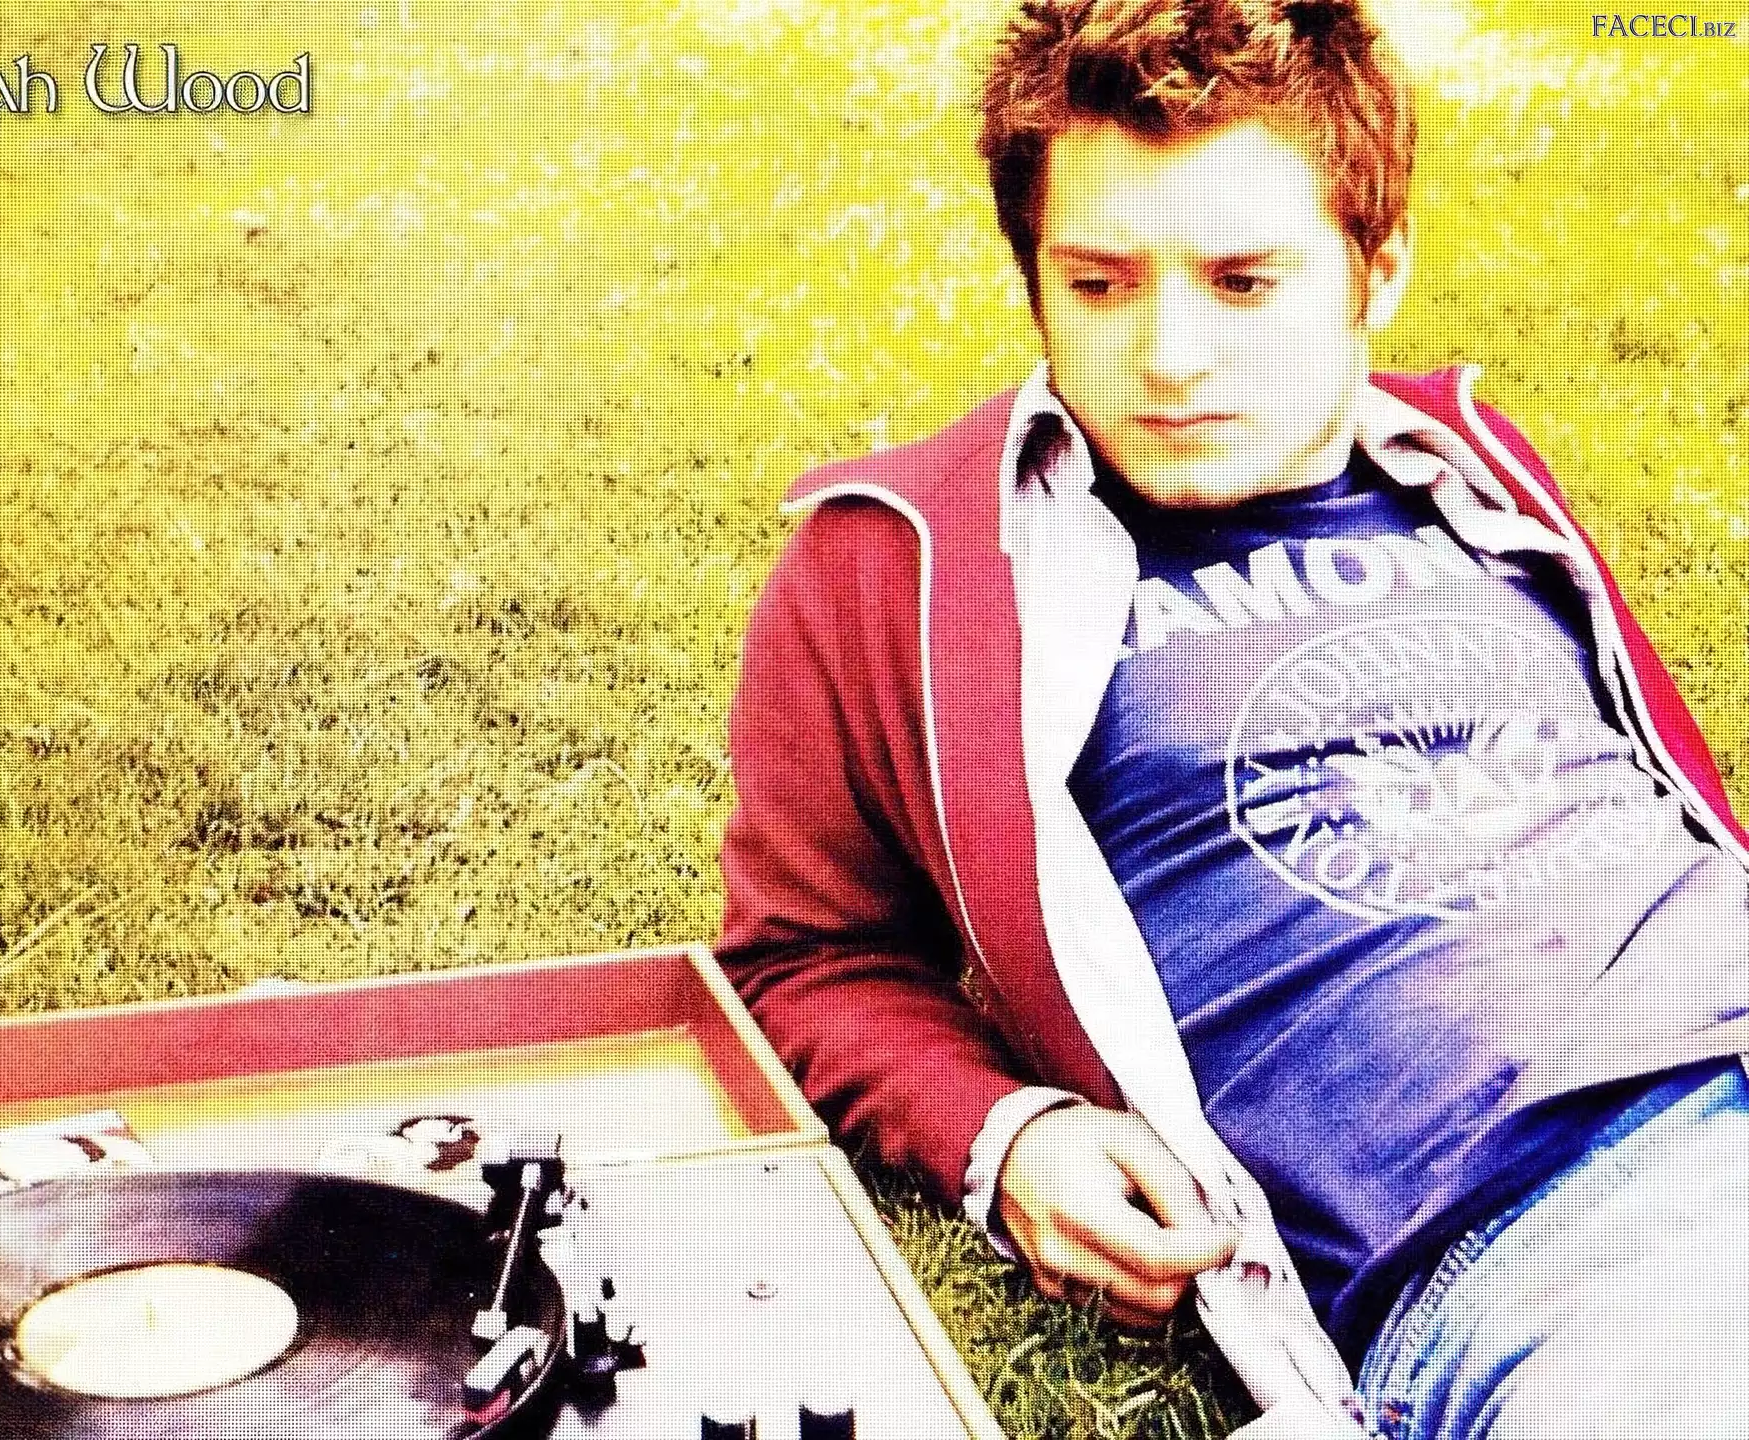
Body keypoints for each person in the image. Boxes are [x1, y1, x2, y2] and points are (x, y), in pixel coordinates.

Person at [714, 2, 1749, 1436]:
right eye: (1100, 283)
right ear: (1034, 279)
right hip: (1538, 1236)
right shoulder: (905, 560)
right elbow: (805, 959)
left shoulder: (1469, 468)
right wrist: (1009, 1140)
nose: (1172, 357)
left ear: (1378, 267)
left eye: (1244, 283)